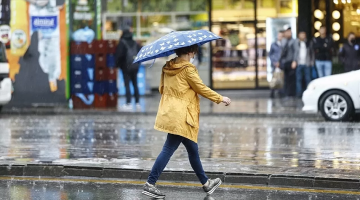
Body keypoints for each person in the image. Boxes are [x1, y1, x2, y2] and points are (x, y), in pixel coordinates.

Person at [142, 44, 232, 199]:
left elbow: (161, 88)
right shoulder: (188, 69)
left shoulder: (167, 66)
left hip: (170, 111)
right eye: (194, 52)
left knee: (192, 149)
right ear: (191, 52)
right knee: (168, 149)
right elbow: (201, 88)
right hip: (182, 115)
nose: (193, 55)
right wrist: (220, 98)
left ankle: (206, 183)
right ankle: (150, 183)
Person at [115, 27, 141, 110]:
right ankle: (137, 103)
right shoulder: (134, 42)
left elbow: (119, 56)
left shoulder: (122, 43)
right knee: (135, 84)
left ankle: (128, 103)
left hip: (126, 67)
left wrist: (118, 65)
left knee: (127, 84)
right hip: (135, 66)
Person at [295, 31, 314, 98]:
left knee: (308, 79)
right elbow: (294, 52)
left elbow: (312, 53)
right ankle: (299, 93)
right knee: (298, 79)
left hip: (307, 63)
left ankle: (308, 93)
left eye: (304, 35)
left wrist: (312, 61)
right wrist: (294, 61)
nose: (302, 36)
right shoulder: (296, 43)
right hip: (298, 63)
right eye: (301, 34)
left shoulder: (308, 43)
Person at [280, 27, 298, 97]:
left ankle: (292, 93)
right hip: (285, 62)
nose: (288, 33)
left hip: (291, 62)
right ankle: (286, 93)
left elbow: (296, 51)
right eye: (287, 32)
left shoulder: (294, 41)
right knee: (286, 78)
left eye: (289, 32)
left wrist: (294, 61)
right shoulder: (284, 41)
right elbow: (282, 51)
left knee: (292, 79)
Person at [269, 31, 284, 98]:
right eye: (279, 36)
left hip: (281, 65)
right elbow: (270, 55)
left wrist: (280, 62)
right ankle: (272, 93)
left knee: (281, 79)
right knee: (274, 79)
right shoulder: (273, 44)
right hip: (275, 65)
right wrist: (274, 62)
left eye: (281, 36)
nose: (280, 37)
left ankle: (281, 93)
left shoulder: (284, 44)